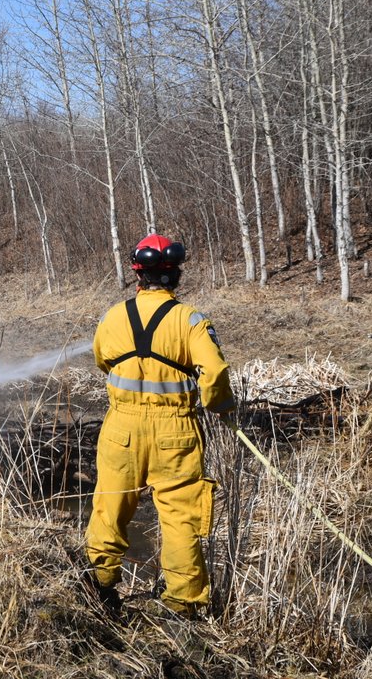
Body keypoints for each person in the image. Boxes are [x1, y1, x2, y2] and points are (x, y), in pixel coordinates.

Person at [85, 234, 236, 618]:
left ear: (137, 274)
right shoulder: (190, 320)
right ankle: (182, 606)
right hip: (176, 433)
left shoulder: (112, 316)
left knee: (110, 507)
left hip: (121, 428)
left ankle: (100, 588)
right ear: (176, 275)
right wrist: (219, 405)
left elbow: (103, 360)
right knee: (181, 517)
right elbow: (214, 370)